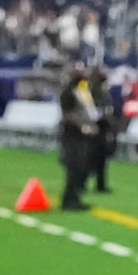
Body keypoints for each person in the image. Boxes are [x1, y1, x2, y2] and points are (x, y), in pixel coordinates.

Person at [55, 61, 104, 211]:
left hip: (81, 136)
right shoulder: (68, 93)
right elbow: (68, 114)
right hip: (72, 136)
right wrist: (83, 126)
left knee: (81, 167)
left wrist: (91, 124)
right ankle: (69, 200)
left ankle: (74, 198)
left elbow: (88, 112)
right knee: (74, 168)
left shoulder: (82, 93)